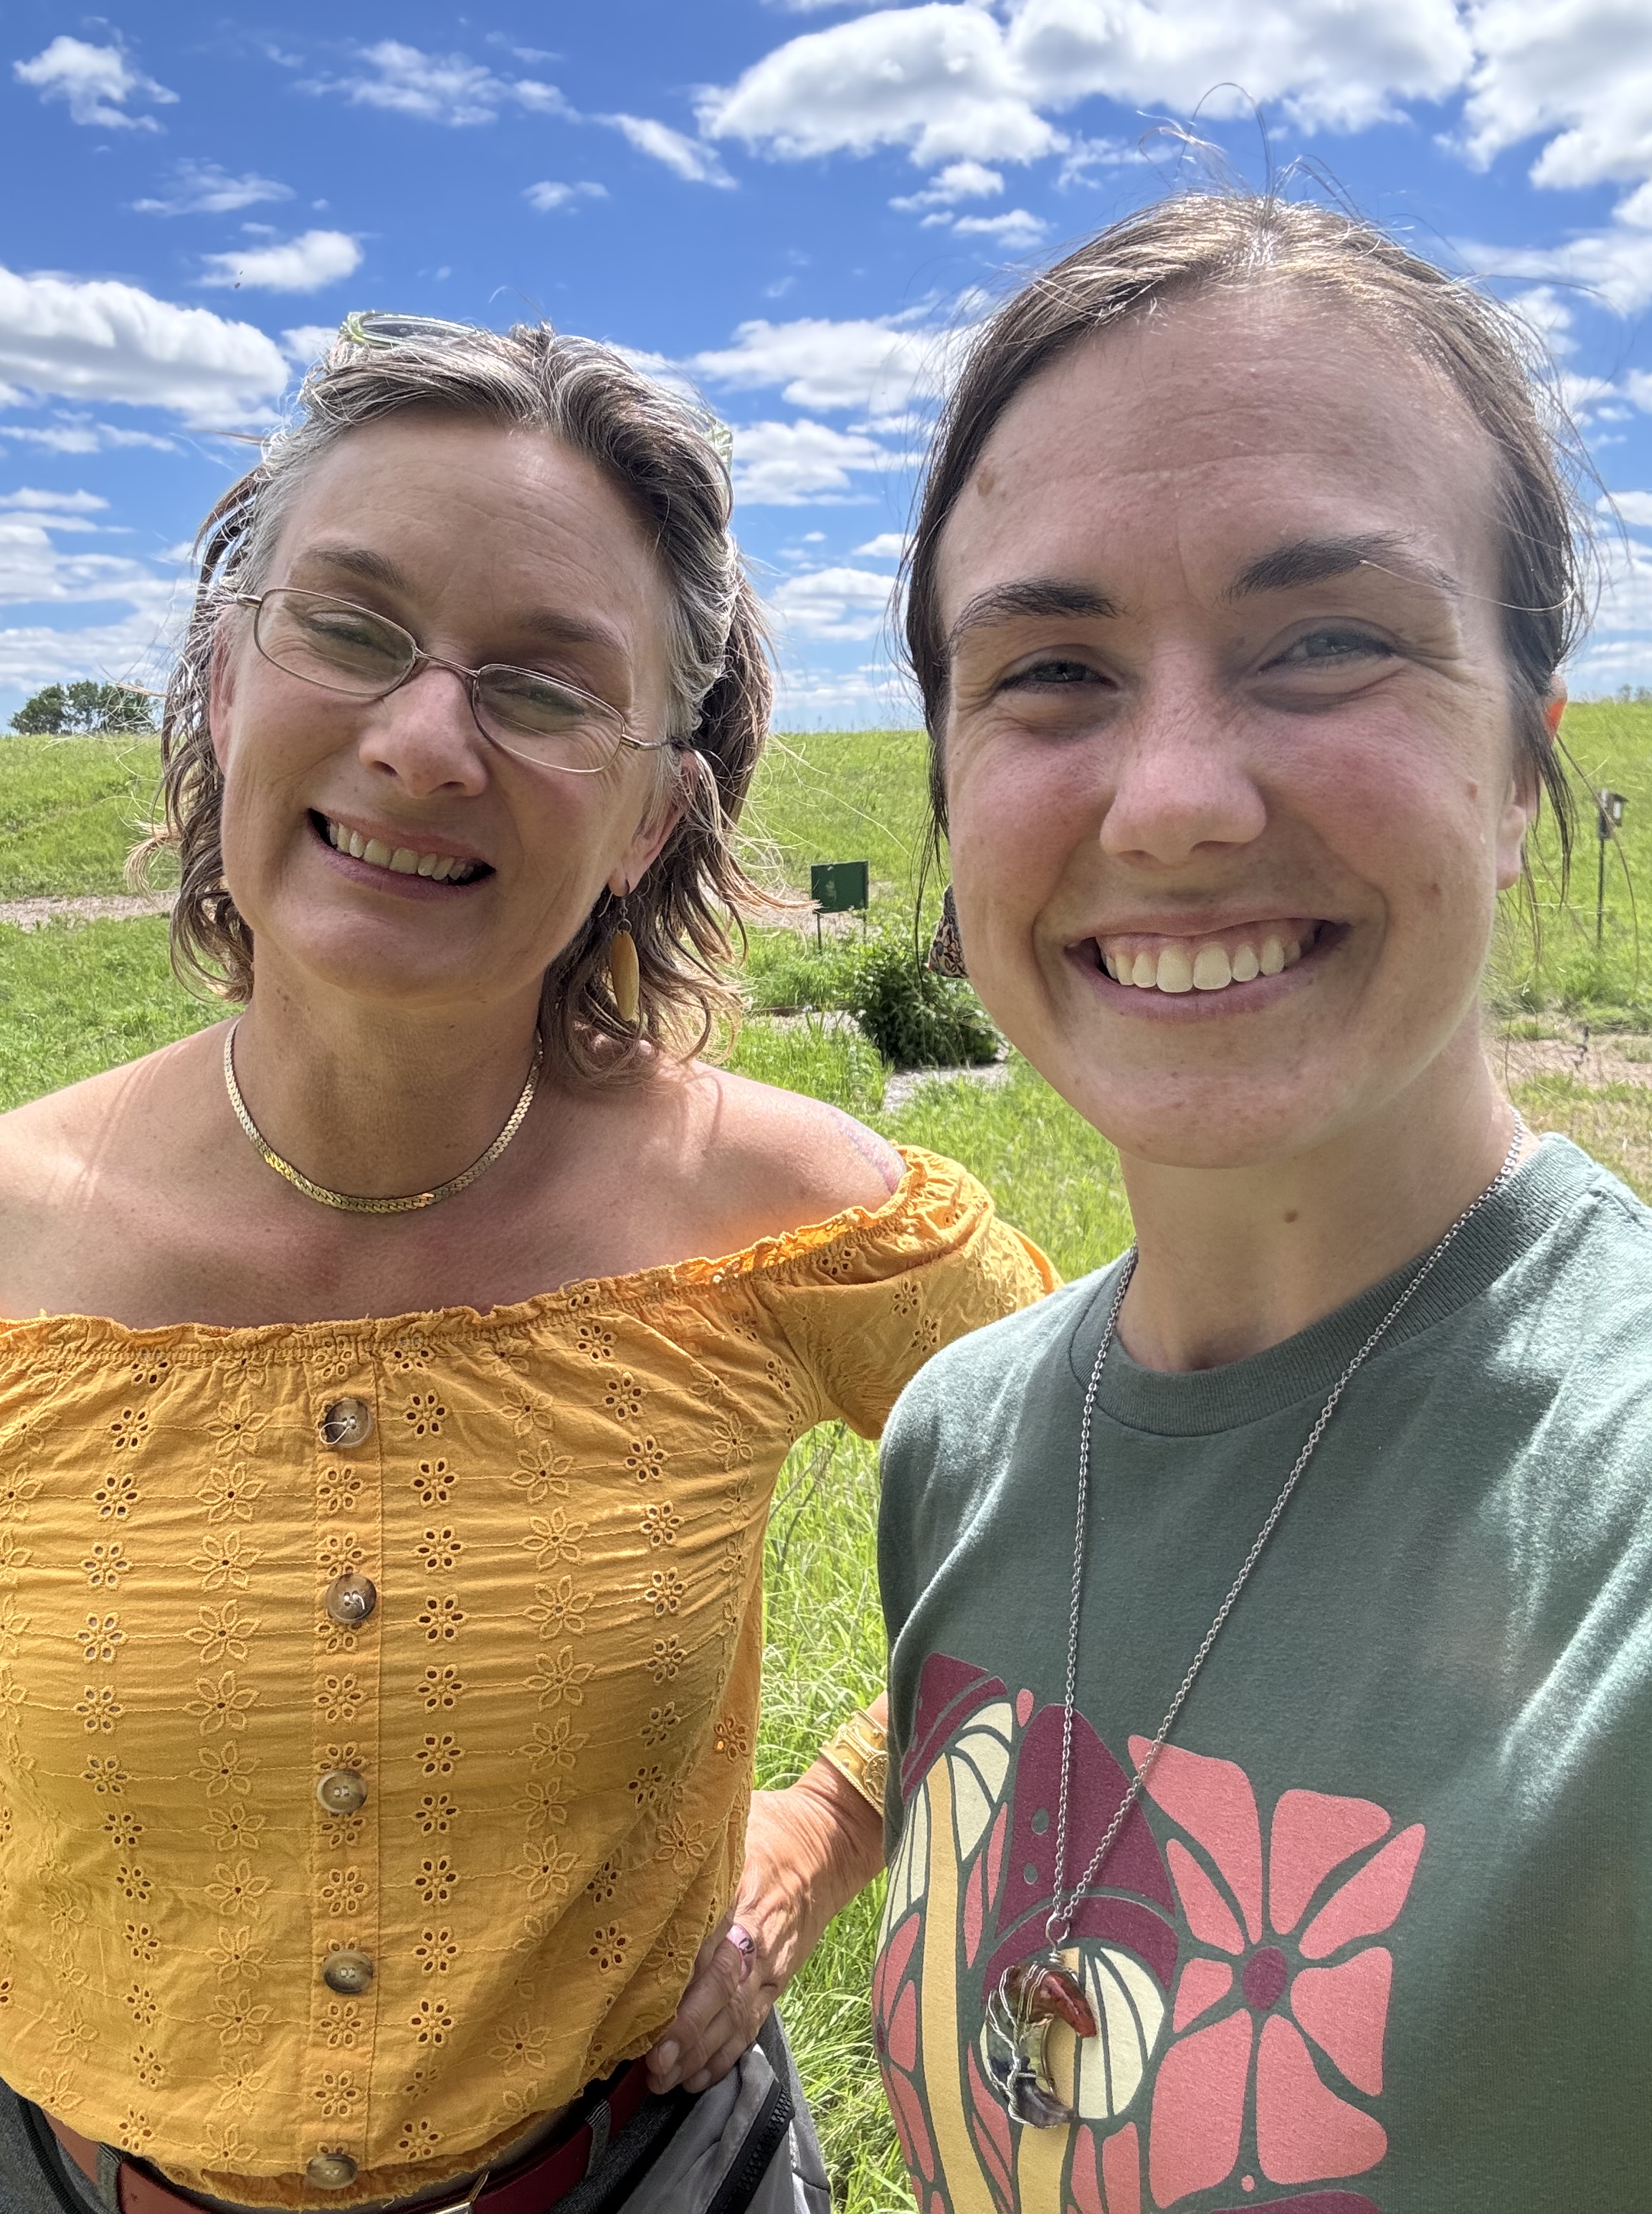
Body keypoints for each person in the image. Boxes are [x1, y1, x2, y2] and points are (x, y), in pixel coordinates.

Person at [0, 315, 1054, 2213]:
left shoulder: (797, 1217)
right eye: (351, 628)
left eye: (548, 687)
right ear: (227, 679)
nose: (422, 740)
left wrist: (824, 1825)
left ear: (657, 805)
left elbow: (1109, 1517)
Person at [872, 194, 1652, 2213]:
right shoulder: (957, 1446)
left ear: (1521, 756)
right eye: (1052, 670)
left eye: (1325, 641)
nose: (1178, 800)